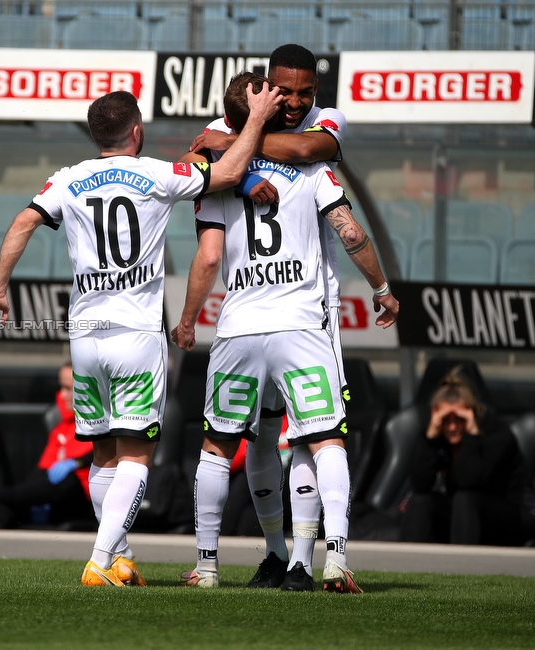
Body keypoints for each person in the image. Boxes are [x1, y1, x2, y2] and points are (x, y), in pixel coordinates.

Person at [0, 86, 282, 587]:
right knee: (138, 453)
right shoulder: (157, 173)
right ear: (136, 132)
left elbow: (22, 221)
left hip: (86, 336)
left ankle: (119, 557)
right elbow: (226, 174)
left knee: (102, 452)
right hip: (137, 333)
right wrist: (257, 120)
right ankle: (100, 560)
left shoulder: (68, 179)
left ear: (97, 134)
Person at [171, 71, 399, 593]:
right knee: (323, 440)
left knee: (220, 445)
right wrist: (382, 288)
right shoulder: (314, 168)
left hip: (239, 327)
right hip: (302, 324)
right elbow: (352, 232)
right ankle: (334, 560)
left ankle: (207, 567)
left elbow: (208, 257)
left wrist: (186, 322)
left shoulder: (217, 174)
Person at [185, 43, 352, 591]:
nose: (297, 101)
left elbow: (310, 149)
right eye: (285, 91)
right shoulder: (229, 130)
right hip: (290, 316)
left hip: (293, 313)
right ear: (266, 86)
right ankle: (283, 556)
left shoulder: (320, 125)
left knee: (286, 439)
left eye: (306, 92)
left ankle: (299, 560)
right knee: (271, 439)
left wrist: (235, 145)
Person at [400, 368, 530, 546]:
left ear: (472, 414)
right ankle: (405, 566)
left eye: (459, 419)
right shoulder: (439, 435)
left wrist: (471, 435)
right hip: (465, 516)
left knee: (465, 498)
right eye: (446, 420)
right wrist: (429, 438)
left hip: (509, 516)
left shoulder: (497, 434)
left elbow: (469, 481)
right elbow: (420, 484)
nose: (452, 427)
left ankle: (462, 568)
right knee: (420, 501)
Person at [0, 363, 96, 529]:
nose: (62, 395)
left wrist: (76, 463)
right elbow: (43, 471)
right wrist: (30, 494)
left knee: (67, 480)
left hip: (86, 501)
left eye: (69, 389)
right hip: (55, 499)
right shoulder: (61, 429)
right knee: (6, 506)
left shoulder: (101, 424)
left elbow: (109, 454)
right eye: (62, 387)